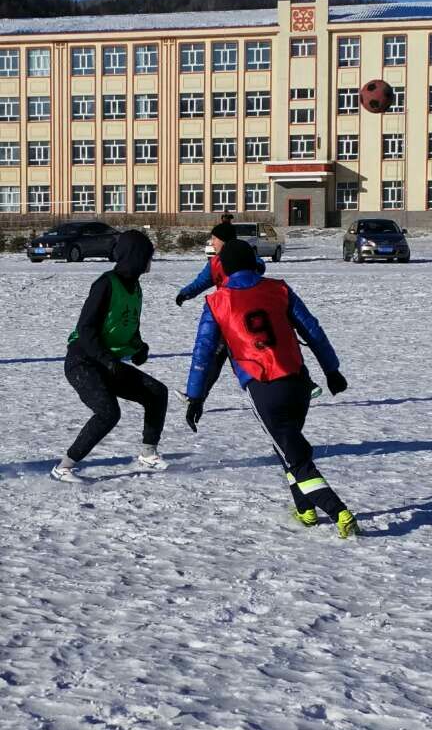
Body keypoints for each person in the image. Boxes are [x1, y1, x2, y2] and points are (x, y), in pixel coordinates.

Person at [184, 240, 360, 538]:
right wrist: (332, 370)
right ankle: (305, 510)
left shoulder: (217, 302)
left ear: (224, 268)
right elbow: (313, 330)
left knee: (295, 456)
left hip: (264, 387)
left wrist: (196, 396)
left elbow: (204, 352)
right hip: (299, 383)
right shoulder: (278, 288)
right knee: (287, 447)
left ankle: (339, 513)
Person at [51, 230, 168, 481]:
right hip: (83, 362)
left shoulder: (135, 288)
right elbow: (85, 329)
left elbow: (128, 326)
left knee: (157, 393)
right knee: (108, 412)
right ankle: (63, 467)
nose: (150, 261)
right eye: (148, 256)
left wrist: (139, 347)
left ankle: (148, 454)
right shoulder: (105, 283)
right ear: (135, 256)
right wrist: (106, 360)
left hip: (108, 363)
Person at [175, 222, 263, 401]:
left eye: (215, 238)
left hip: (244, 317)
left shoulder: (244, 257)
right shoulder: (214, 263)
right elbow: (202, 282)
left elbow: (258, 264)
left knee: (252, 356)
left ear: (225, 240)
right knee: (215, 358)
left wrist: (257, 266)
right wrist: (185, 293)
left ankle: (293, 385)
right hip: (224, 316)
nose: (212, 242)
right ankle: (196, 397)